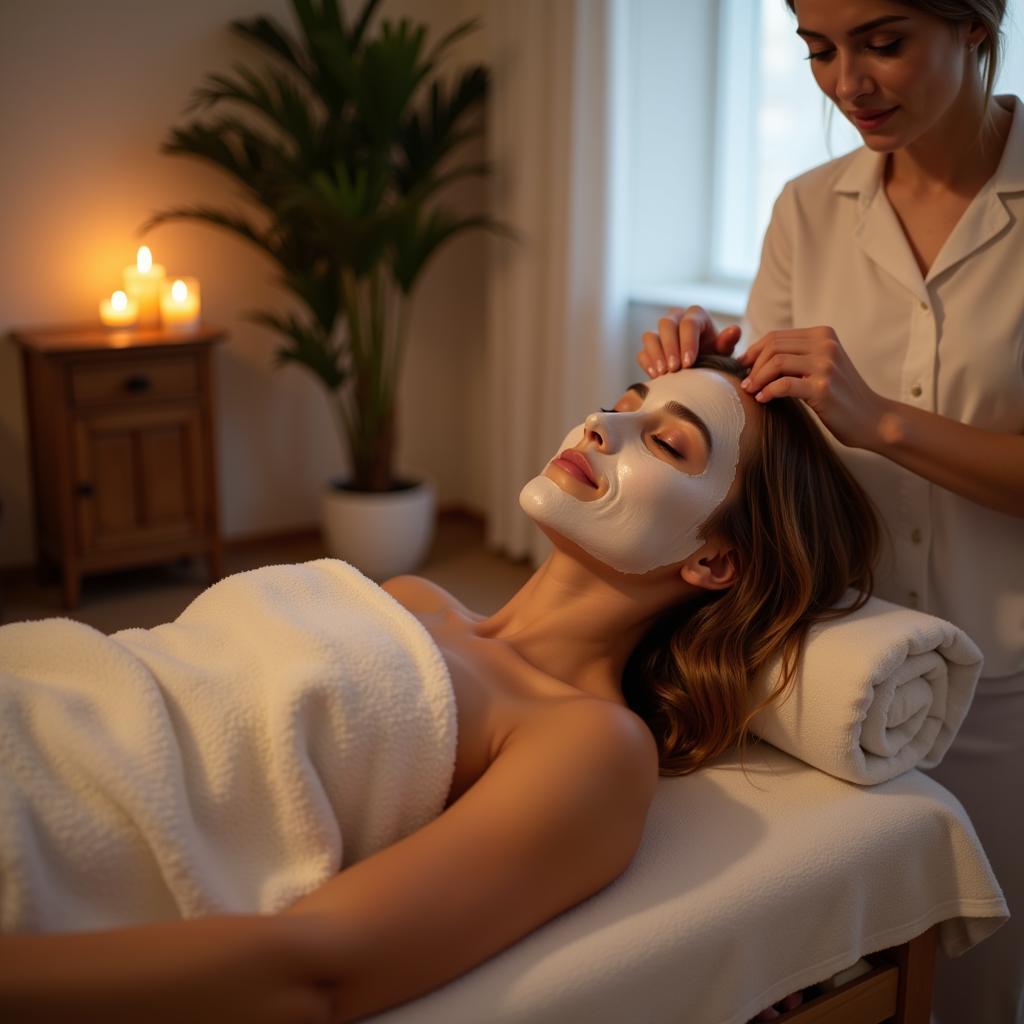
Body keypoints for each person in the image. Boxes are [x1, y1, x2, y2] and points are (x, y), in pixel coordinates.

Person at [0, 357, 879, 1023]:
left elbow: (319, 968)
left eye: (667, 441)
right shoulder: (414, 596)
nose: (601, 425)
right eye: (626, 402)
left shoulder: (590, 743)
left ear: (714, 559)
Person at [638, 4, 1023, 1021]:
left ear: (977, 24)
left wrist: (884, 421)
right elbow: (780, 436)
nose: (845, 80)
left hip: (1004, 676)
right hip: (828, 653)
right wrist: (711, 368)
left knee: (974, 975)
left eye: (882, 41)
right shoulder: (806, 209)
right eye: (817, 48)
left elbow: (859, 415)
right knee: (838, 969)